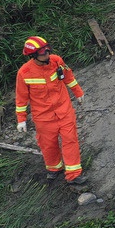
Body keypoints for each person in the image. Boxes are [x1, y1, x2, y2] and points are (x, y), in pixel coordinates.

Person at [15, 36, 87, 185]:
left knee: (70, 139)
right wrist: (21, 119)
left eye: (47, 51)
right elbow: (21, 98)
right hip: (43, 117)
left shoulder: (56, 61)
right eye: (43, 53)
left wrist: (78, 92)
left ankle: (73, 175)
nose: (47, 54)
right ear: (33, 55)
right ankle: (55, 168)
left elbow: (68, 77)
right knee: (48, 144)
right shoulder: (24, 73)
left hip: (64, 110)